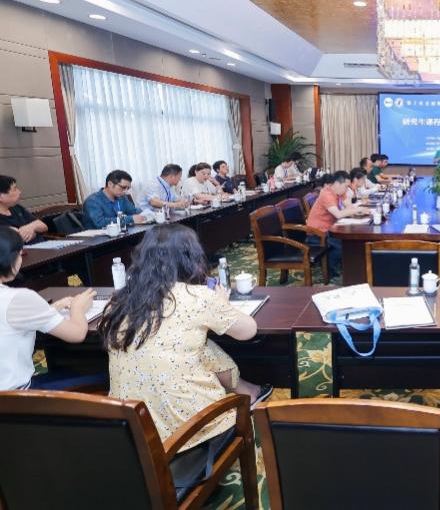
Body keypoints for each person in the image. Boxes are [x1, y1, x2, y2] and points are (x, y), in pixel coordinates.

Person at [100, 225, 272, 456]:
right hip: (188, 429)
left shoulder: (122, 299)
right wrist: (222, 303)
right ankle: (246, 392)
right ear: (189, 259)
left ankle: (247, 389)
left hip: (132, 428)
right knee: (199, 346)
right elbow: (248, 331)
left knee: (199, 346)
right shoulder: (197, 297)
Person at [0, 226, 97, 390]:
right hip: (17, 397)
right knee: (102, 375)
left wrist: (54, 307)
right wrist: (78, 308)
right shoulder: (19, 298)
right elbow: (77, 334)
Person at [305, 170, 372, 276]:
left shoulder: (340, 191)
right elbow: (338, 214)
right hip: (317, 233)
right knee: (345, 245)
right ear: (337, 183)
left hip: (330, 228)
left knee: (351, 241)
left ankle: (349, 266)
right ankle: (328, 267)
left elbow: (349, 207)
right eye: (346, 186)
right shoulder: (327, 194)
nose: (347, 189)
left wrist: (360, 212)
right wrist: (358, 210)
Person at [82, 170, 147, 229]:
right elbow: (100, 223)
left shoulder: (122, 197)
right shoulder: (92, 201)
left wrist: (147, 214)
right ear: (110, 184)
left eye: (128, 188)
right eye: (123, 187)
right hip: (98, 236)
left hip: (121, 234)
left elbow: (133, 211)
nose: (125, 191)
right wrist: (130, 219)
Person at [0, 175, 48, 244]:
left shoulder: (16, 208)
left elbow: (43, 226)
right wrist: (32, 234)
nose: (19, 192)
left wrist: (31, 227)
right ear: (1, 197)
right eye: (15, 189)